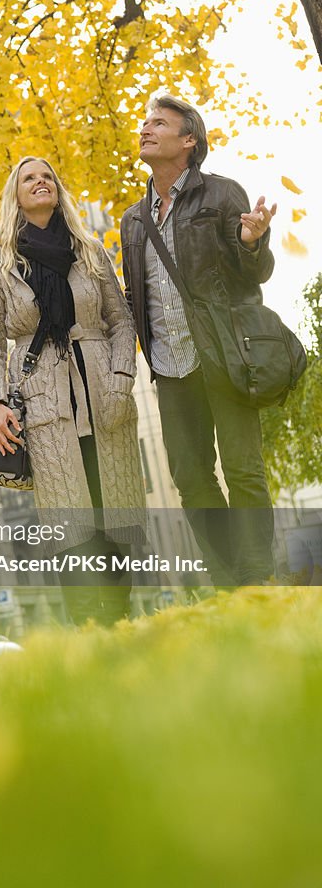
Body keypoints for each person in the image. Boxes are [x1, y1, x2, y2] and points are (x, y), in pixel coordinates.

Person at [0, 157, 146, 624]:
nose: (41, 182)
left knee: (115, 524)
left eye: (48, 175)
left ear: (58, 189)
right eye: (29, 177)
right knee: (72, 533)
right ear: (16, 195)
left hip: (103, 401)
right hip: (46, 409)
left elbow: (120, 319)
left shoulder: (89, 251)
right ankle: (91, 636)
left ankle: (123, 627)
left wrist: (120, 379)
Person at [120, 93, 277, 585]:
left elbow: (257, 273)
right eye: (145, 123)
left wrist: (252, 244)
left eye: (159, 123)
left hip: (225, 354)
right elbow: (135, 296)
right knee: (190, 479)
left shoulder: (222, 194)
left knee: (243, 468)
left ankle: (256, 577)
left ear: (189, 140)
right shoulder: (132, 220)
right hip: (169, 367)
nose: (146, 129)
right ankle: (228, 579)